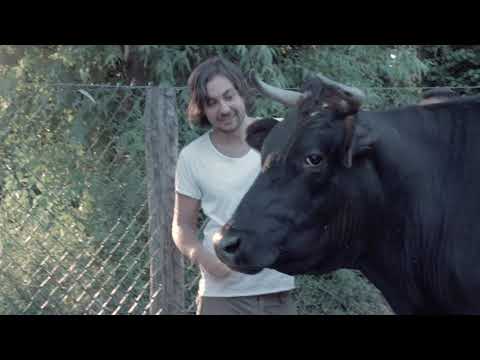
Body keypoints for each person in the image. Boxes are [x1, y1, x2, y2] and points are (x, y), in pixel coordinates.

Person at [171, 56, 296, 315]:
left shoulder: (278, 136)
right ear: (202, 109)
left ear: (242, 94)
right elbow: (182, 225)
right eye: (212, 103)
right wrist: (203, 258)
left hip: (277, 291)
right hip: (222, 297)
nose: (224, 109)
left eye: (229, 96)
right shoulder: (192, 157)